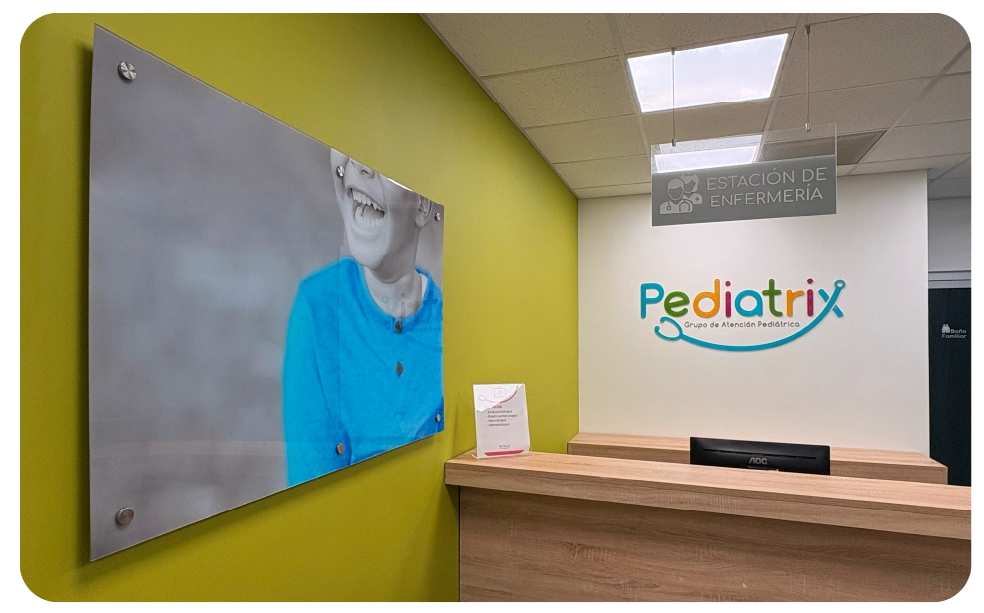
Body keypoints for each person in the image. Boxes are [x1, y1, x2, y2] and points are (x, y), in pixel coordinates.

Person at [282, 149, 443, 487]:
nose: (360, 165)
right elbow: (311, 496)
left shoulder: (452, 326)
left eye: (386, 157)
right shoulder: (318, 307)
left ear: (423, 207)